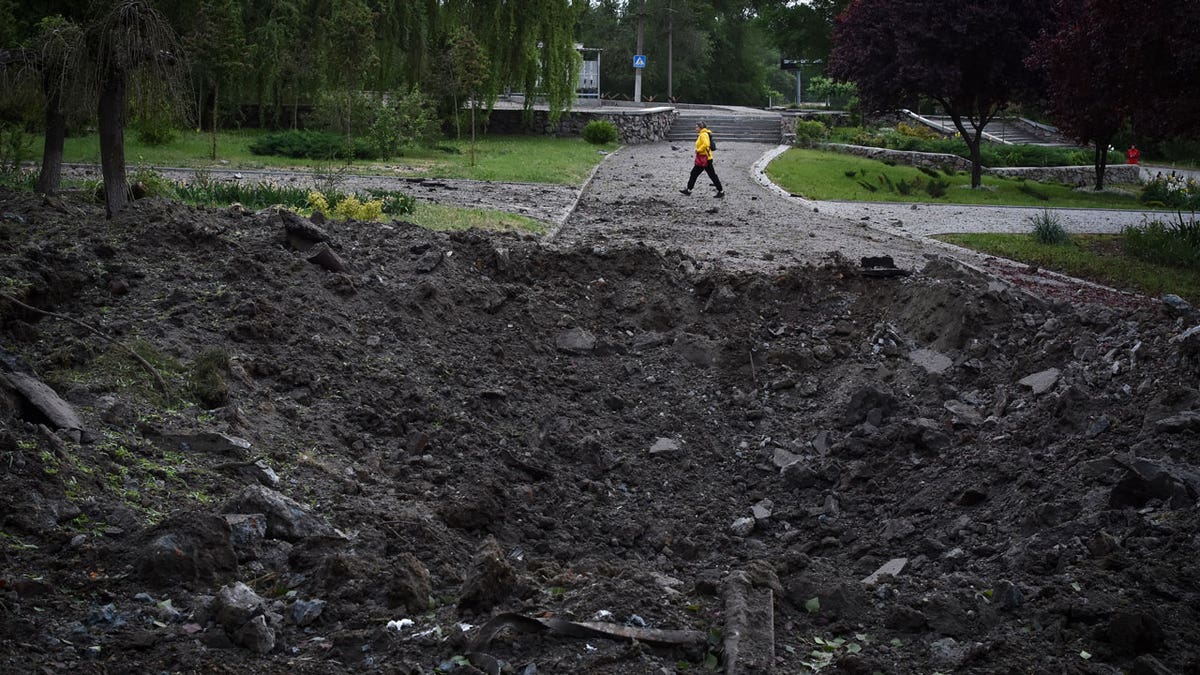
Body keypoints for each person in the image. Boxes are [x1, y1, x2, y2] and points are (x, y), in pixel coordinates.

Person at [680, 121, 724, 198]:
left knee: (697, 174)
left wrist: (698, 150)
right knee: (699, 174)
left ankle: (721, 191)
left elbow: (706, 144)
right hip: (706, 158)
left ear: (700, 127)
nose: (695, 128)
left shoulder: (703, 134)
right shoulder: (703, 134)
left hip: (705, 158)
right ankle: (689, 190)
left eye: (696, 127)